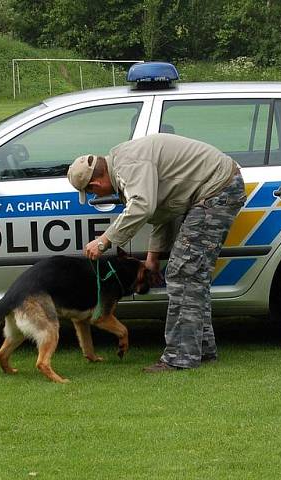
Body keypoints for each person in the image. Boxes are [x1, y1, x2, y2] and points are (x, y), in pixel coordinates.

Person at [67, 133, 247, 373]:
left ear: (95, 184)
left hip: (215, 191)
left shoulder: (128, 166)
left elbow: (142, 206)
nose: (95, 196)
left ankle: (180, 357)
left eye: (91, 193)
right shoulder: (126, 165)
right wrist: (152, 260)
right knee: (193, 276)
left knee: (183, 273)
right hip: (215, 190)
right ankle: (202, 350)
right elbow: (163, 212)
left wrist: (103, 241)